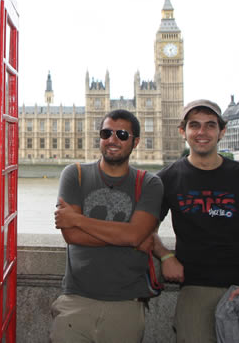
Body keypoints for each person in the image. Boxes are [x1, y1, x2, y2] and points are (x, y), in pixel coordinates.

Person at [153, 99, 239, 343]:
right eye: (194, 125)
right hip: (195, 286)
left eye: (210, 126)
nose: (202, 132)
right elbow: (146, 232)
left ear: (222, 131)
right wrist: (165, 256)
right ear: (183, 131)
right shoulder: (166, 178)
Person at [50, 109, 163, 343]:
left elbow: (133, 235)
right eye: (106, 132)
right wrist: (130, 237)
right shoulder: (75, 174)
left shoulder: (150, 183)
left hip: (127, 304)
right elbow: (71, 235)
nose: (113, 139)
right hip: (76, 301)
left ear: (136, 141)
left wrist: (78, 220)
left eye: (122, 134)